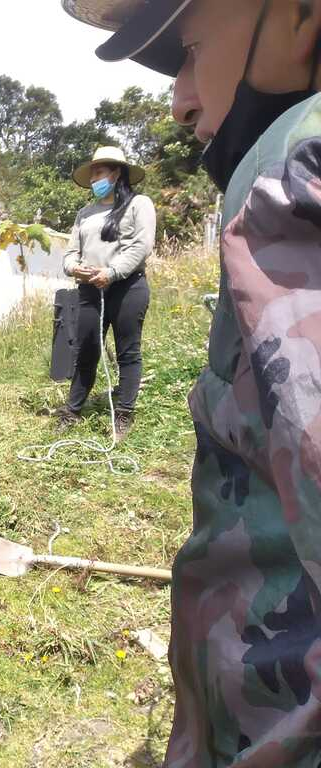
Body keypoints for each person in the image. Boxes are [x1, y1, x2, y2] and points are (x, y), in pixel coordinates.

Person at [64, 0, 321, 763]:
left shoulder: (289, 167)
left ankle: (120, 412)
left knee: (127, 360)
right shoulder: (87, 210)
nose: (179, 99)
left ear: (301, 14)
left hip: (278, 715)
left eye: (189, 49)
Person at [57, 146, 156, 438]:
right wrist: (75, 269)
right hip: (89, 291)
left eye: (99, 172)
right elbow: (70, 254)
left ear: (116, 173)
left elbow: (141, 246)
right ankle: (72, 410)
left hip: (127, 287)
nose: (94, 178)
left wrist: (111, 273)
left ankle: (124, 413)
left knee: (128, 350)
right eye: (92, 174)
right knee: (86, 349)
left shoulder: (139, 204)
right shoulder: (85, 214)